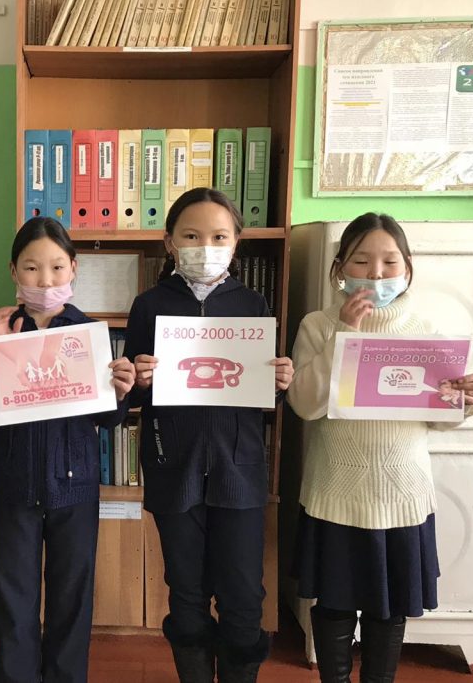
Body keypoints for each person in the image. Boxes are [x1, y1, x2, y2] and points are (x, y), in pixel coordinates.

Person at [286, 212, 473, 683]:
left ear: (407, 269)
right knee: (334, 603)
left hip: (402, 496)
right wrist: (345, 333)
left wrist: (467, 403)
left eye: (390, 263)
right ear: (340, 268)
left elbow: (437, 417)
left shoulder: (425, 330)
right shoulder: (318, 326)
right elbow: (305, 404)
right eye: (361, 261)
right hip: (336, 493)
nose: (376, 274)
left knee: (389, 607)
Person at [123, 188, 293, 683]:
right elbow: (130, 391)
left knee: (244, 596)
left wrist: (279, 383)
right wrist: (137, 377)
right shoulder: (149, 305)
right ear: (170, 242)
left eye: (219, 237)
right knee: (187, 593)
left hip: (238, 470)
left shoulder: (253, 304)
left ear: (236, 242)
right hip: (173, 466)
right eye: (192, 236)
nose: (206, 247)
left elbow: (262, 394)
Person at [0, 216, 136, 683]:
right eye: (32, 267)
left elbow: (107, 419)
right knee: (13, 595)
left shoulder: (88, 333)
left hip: (75, 487)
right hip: (15, 485)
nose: (45, 280)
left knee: (71, 596)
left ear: (74, 268)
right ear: (13, 271)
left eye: (57, 267)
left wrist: (121, 392)